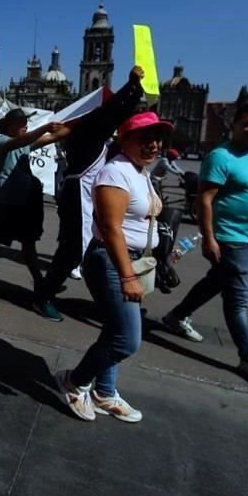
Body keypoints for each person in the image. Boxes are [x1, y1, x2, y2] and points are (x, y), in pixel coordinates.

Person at [162, 102, 248, 392]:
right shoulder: (221, 156)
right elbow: (205, 199)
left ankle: (176, 317)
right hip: (230, 237)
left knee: (215, 282)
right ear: (234, 126)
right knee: (238, 299)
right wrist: (208, 238)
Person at [55, 112, 170, 422]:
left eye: (157, 139)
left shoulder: (140, 171)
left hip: (133, 260)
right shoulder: (115, 172)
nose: (153, 145)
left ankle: (105, 392)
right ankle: (74, 381)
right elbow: (110, 227)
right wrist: (128, 275)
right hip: (112, 261)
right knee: (126, 339)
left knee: (115, 329)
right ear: (125, 140)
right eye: (145, 139)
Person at [35, 67, 146, 321]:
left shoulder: (96, 134)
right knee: (74, 251)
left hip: (88, 196)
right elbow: (111, 114)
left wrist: (134, 92)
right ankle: (43, 297)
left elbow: (114, 116)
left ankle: (103, 299)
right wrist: (132, 87)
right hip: (78, 194)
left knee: (87, 251)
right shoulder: (87, 132)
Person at [0, 110, 66, 305]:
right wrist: (44, 128)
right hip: (4, 202)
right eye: (21, 122)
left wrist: (80, 122)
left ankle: (40, 281)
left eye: (26, 122)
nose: (25, 125)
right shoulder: (2, 141)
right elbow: (20, 142)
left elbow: (55, 137)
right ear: (9, 125)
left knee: (28, 244)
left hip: (23, 203)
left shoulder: (25, 143)